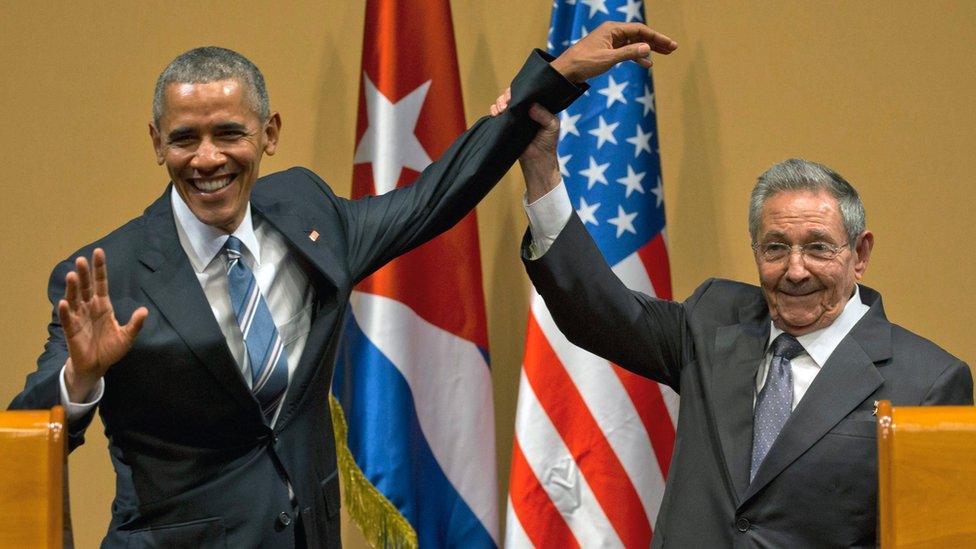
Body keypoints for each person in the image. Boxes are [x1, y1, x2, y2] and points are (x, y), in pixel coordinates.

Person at [8, 23, 678, 548]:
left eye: (229, 133)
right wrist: (79, 380)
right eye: (185, 138)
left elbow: (434, 198)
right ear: (156, 142)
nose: (207, 157)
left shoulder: (307, 213)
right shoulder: (106, 275)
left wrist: (556, 76)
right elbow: (26, 431)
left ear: (269, 135)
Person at [504, 102, 974, 546]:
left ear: (860, 254)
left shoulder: (928, 382)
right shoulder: (713, 320)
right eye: (775, 248)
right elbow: (600, 313)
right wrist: (542, 171)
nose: (794, 270)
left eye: (817, 247)